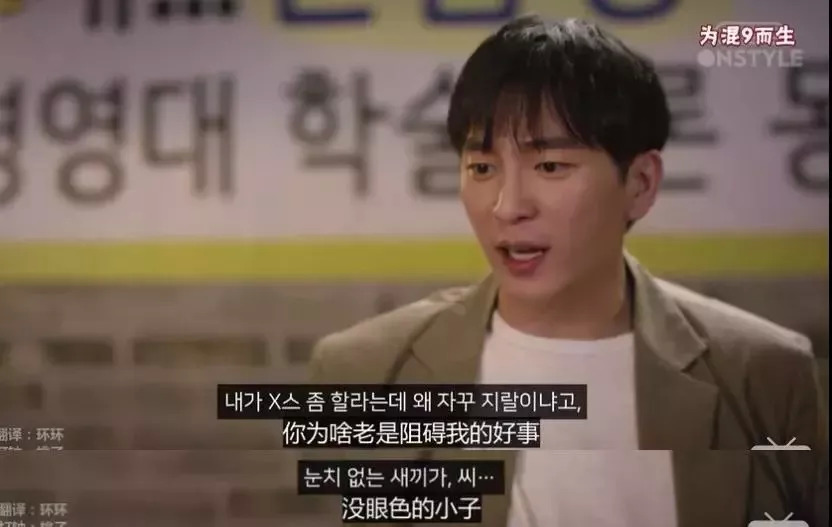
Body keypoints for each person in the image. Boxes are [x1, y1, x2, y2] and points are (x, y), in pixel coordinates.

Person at [309, 15, 828, 527]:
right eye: (482, 168)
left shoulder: (762, 373)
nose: (508, 206)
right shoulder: (364, 371)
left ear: (641, 183)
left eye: (550, 166)